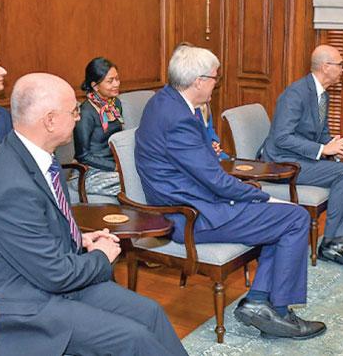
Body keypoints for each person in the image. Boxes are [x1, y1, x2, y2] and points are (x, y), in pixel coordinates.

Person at [0, 73, 186, 356]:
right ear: (50, 120)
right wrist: (102, 255)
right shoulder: (12, 187)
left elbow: (35, 233)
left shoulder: (33, 155)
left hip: (42, 278)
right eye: (73, 111)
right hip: (16, 309)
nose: (78, 117)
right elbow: (56, 275)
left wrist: (77, 238)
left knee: (149, 312)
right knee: (133, 338)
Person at [136, 44, 326, 340]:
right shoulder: (178, 118)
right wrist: (264, 196)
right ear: (198, 81)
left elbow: (204, 169)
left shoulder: (166, 102)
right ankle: (276, 308)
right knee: (295, 217)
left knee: (283, 218)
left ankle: (260, 302)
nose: (216, 83)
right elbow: (215, 179)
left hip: (194, 201)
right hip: (190, 216)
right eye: (215, 78)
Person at [261, 44, 343, 271]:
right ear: (325, 66)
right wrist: (323, 151)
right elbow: (282, 137)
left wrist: (335, 146)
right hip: (281, 162)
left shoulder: (322, 94)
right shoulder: (295, 94)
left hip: (301, 158)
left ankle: (340, 239)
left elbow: (321, 134)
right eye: (340, 65)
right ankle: (329, 244)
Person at [73, 57, 124, 196]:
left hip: (115, 166)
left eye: (117, 79)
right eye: (110, 81)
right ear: (95, 86)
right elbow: (82, 155)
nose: (116, 84)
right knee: (131, 182)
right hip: (90, 172)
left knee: (142, 175)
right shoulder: (86, 113)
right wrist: (115, 167)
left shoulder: (116, 104)